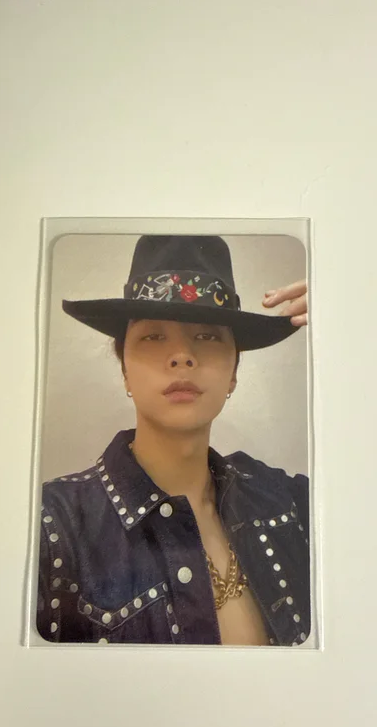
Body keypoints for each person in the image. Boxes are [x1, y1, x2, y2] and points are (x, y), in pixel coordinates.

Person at [37, 235, 310, 646]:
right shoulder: (53, 526)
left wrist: (361, 324)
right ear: (124, 369)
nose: (182, 355)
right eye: (153, 336)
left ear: (234, 372)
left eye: (207, 336)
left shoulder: (289, 503)